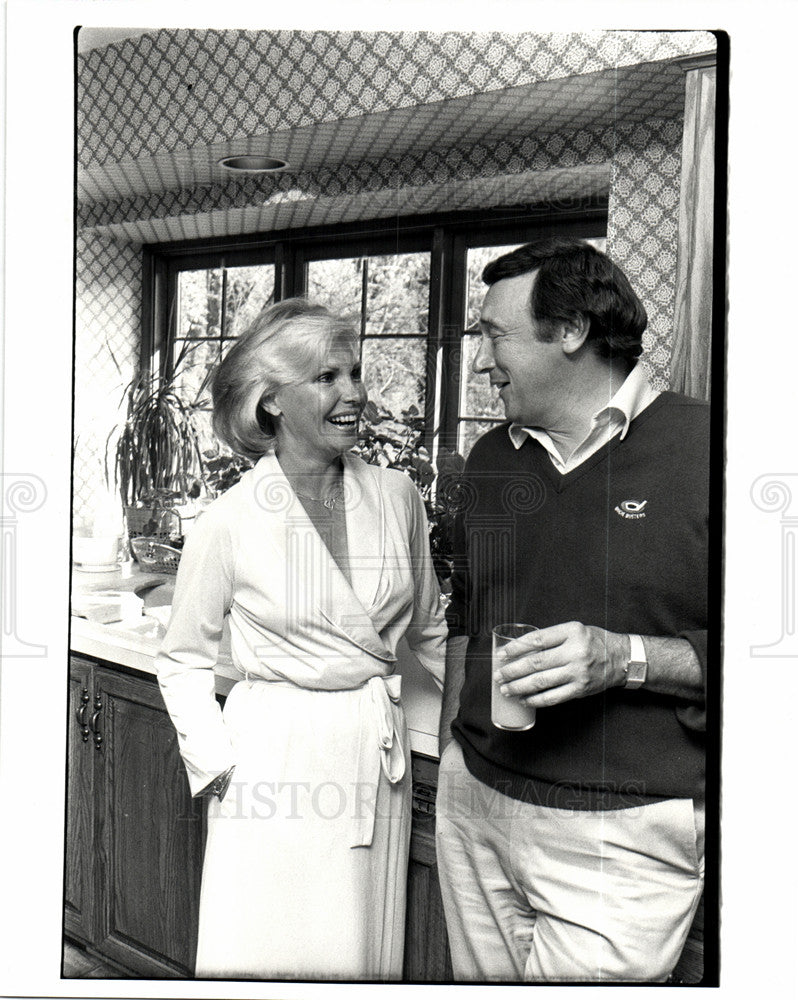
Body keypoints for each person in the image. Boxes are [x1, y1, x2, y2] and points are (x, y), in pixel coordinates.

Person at [435, 238, 708, 983]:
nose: (481, 361)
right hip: (477, 806)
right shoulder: (491, 458)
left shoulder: (711, 449)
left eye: (494, 335)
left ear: (571, 332)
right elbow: (469, 610)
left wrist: (626, 658)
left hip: (621, 835)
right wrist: (453, 749)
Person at [156, 298, 446, 980]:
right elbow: (183, 658)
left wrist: (453, 737)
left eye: (354, 373)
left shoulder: (397, 495)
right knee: (269, 946)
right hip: (271, 760)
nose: (354, 394)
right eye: (326, 378)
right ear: (272, 402)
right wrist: (219, 761)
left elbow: (429, 626)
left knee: (358, 949)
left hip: (373, 751)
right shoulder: (228, 521)